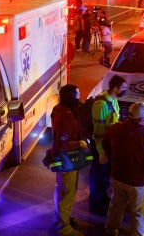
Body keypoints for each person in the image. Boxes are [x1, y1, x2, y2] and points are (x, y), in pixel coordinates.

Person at [102, 102, 144, 236]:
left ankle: (110, 229)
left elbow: (105, 144)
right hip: (139, 183)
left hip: (118, 177)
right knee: (139, 212)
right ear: (143, 119)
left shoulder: (116, 128)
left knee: (116, 206)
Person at [51, 84, 88, 236]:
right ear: (71, 97)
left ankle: (64, 218)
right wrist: (80, 143)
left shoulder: (59, 108)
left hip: (67, 157)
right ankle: (63, 229)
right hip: (67, 158)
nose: (80, 97)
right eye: (78, 94)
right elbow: (62, 144)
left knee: (64, 190)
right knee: (67, 193)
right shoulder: (66, 115)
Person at [89, 75, 127, 216]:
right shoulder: (101, 105)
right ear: (115, 88)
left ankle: (102, 198)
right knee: (98, 176)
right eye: (123, 88)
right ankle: (95, 204)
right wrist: (101, 152)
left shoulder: (113, 100)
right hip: (101, 145)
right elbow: (98, 132)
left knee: (105, 176)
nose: (125, 90)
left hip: (109, 144)